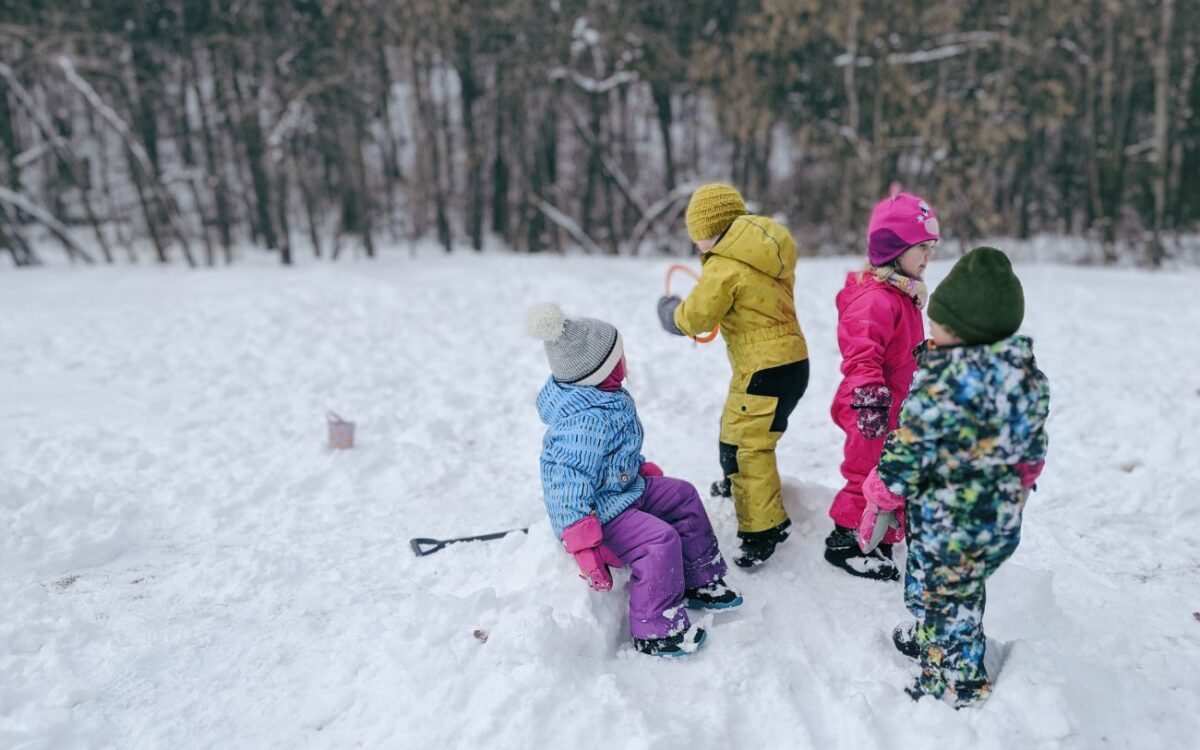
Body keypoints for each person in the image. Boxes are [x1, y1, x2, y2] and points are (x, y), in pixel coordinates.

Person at [858, 246, 1050, 707]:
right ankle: (931, 637)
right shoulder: (1025, 378)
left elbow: (910, 447)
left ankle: (955, 681)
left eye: (938, 329)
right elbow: (1032, 447)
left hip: (949, 520)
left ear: (967, 335)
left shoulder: (943, 383)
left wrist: (882, 490)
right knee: (948, 586)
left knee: (949, 597)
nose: (931, 335)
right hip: (993, 515)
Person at [528, 302, 742, 657]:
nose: (626, 360)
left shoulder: (607, 398)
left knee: (683, 495)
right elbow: (564, 487)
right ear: (602, 371)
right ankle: (656, 629)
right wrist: (583, 545)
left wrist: (637, 471)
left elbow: (613, 453)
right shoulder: (582, 422)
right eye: (619, 356)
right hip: (600, 515)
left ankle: (700, 577)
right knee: (659, 541)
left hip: (624, 490)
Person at [656, 183, 810, 567]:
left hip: (763, 368)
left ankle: (763, 529)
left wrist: (670, 311)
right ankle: (736, 482)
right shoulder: (765, 253)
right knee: (737, 429)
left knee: (748, 447)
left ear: (711, 231)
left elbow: (696, 317)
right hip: (791, 362)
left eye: (699, 238)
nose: (698, 247)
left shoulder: (724, 265)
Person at [826, 191, 939, 581]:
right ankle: (846, 541)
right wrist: (870, 401)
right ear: (893, 247)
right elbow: (861, 355)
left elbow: (903, 350)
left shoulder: (902, 291)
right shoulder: (876, 299)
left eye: (931, 248)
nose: (927, 257)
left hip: (893, 405)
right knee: (865, 474)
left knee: (889, 475)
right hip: (868, 406)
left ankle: (880, 536)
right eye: (920, 247)